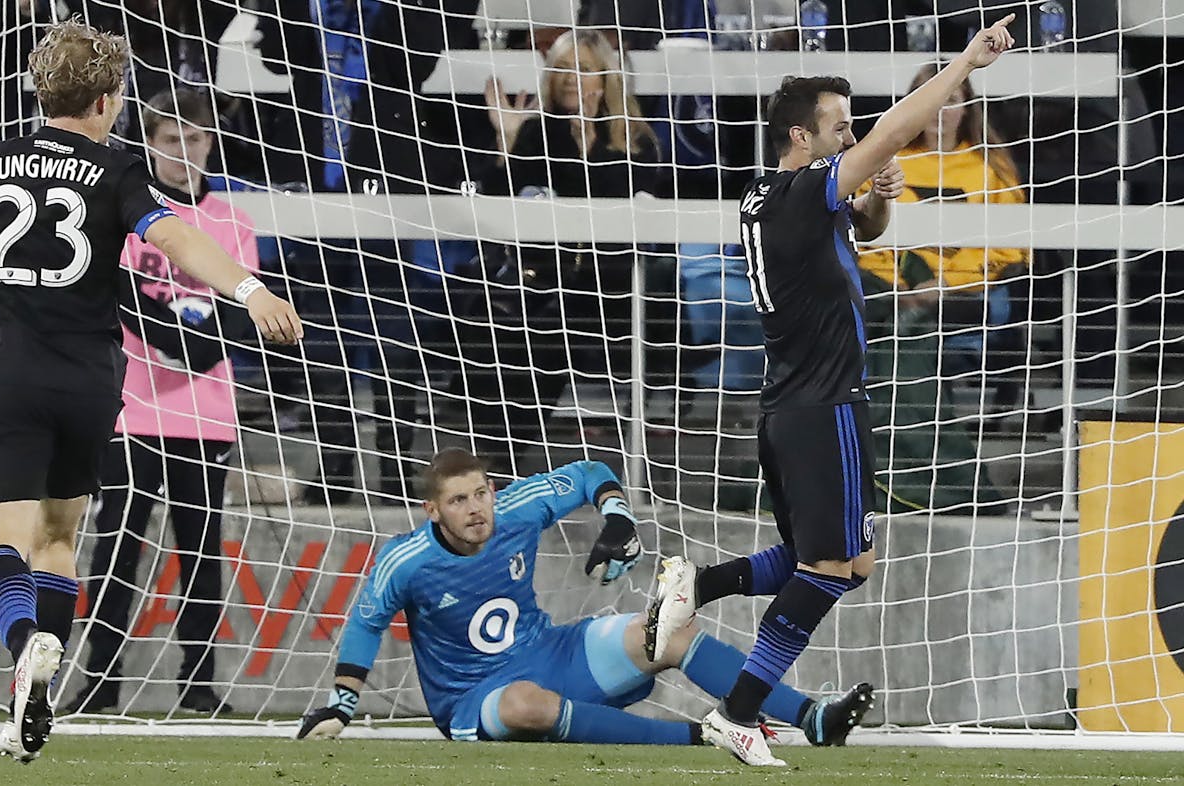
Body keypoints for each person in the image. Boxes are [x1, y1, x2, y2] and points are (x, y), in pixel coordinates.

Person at [644, 15, 1019, 766]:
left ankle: (703, 581)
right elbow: (896, 128)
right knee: (829, 567)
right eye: (839, 129)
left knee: (849, 562)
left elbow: (870, 232)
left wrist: (879, 196)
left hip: (797, 407)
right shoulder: (798, 194)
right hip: (825, 407)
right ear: (799, 139)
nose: (851, 139)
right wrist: (966, 62)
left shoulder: (773, 198)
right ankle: (739, 712)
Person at [0, 19, 300, 762]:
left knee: (3, 545)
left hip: (17, 379)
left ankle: (25, 648)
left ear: (42, 89)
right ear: (109, 102)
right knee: (62, 539)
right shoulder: (116, 173)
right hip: (97, 388)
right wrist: (249, 288)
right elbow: (170, 237)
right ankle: (39, 691)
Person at [295, 448, 873, 746]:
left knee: (667, 630)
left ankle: (812, 718)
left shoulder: (515, 508)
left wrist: (617, 518)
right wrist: (342, 705)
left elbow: (590, 471)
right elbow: (367, 622)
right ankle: (699, 735)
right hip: (474, 698)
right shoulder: (406, 559)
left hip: (551, 652)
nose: (476, 509)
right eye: (459, 501)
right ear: (433, 511)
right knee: (524, 704)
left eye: (482, 493)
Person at [60, 89, 259, 717]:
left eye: (195, 138)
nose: (184, 151)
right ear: (149, 141)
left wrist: (187, 346)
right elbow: (116, 295)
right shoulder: (124, 213)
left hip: (208, 415)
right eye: (172, 138)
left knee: (200, 553)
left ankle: (198, 683)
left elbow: (237, 316)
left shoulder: (235, 225)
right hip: (131, 410)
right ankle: (102, 682)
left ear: (210, 143)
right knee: (116, 550)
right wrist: (180, 343)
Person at [463, 29, 662, 478]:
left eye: (585, 69)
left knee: (552, 335)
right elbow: (497, 204)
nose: (573, 78)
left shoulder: (632, 140)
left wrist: (589, 147)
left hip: (610, 287)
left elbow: (630, 216)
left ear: (605, 79)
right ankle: (498, 462)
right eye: (563, 69)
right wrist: (506, 142)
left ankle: (501, 462)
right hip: (540, 281)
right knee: (512, 333)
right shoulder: (536, 131)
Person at [855, 63, 1026, 513]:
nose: (937, 112)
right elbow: (865, 236)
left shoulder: (991, 165)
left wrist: (945, 283)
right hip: (891, 293)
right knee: (884, 323)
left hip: (966, 296)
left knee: (903, 334)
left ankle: (936, 478)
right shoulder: (886, 162)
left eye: (949, 101)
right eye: (926, 101)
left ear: (966, 107)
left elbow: (1010, 250)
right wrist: (901, 284)